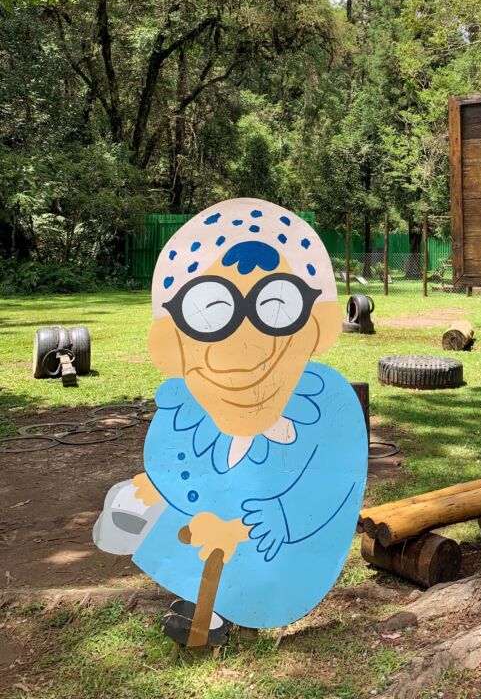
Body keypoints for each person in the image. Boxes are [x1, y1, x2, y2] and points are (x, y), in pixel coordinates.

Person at [94, 199, 367, 636]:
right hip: (207, 535)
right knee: (161, 520)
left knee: (246, 553)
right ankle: (207, 605)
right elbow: (177, 467)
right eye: (211, 310)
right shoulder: (184, 405)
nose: (248, 337)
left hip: (281, 543)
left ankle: (237, 605)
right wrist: (153, 492)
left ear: (318, 323)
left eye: (276, 304)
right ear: (171, 342)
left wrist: (283, 516)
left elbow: (338, 478)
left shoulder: (326, 400)